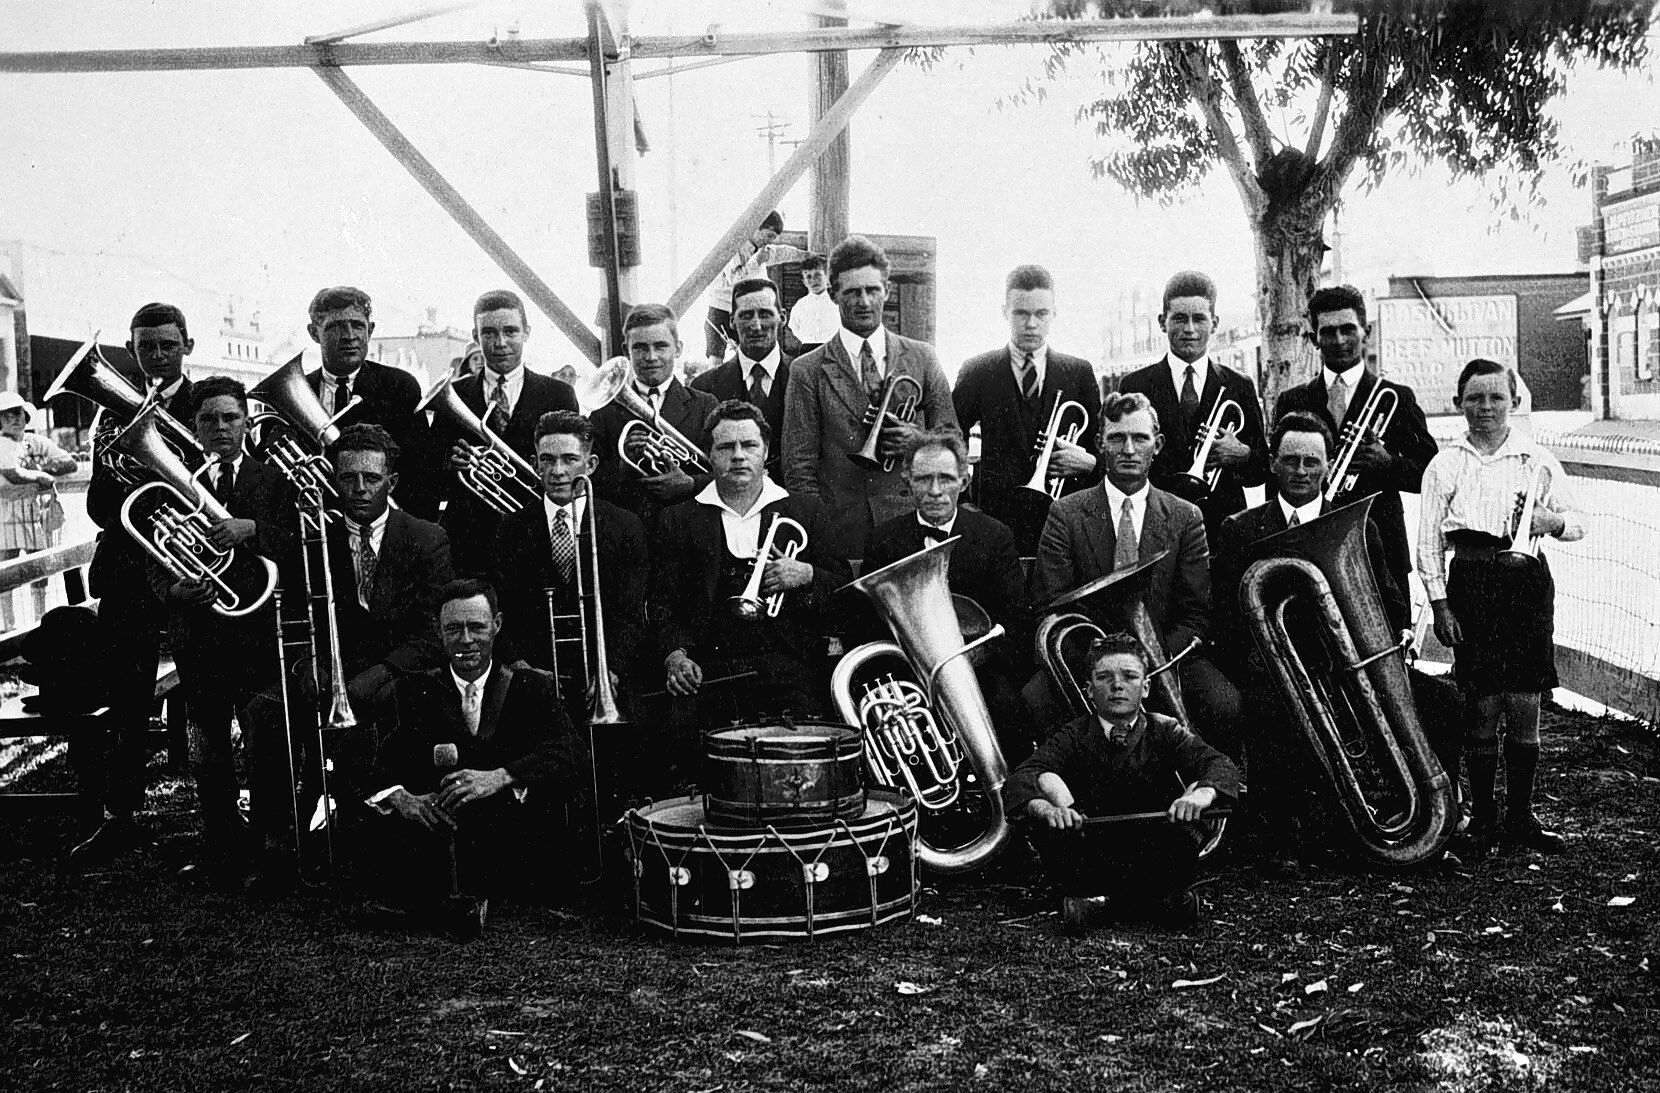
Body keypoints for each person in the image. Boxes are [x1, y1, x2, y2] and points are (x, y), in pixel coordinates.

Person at [241, 424, 454, 886]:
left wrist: (377, 674)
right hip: (326, 672)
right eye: (347, 478)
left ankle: (373, 836)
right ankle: (278, 842)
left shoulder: (426, 537)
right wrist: (307, 664)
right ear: (334, 480)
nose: (359, 488)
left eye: (371, 478)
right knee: (265, 711)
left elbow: (431, 633)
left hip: (397, 674)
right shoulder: (313, 535)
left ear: (391, 482)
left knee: (389, 708)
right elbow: (293, 614)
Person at [1211, 412, 1415, 872]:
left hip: (1346, 665)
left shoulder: (1358, 523)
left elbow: (1389, 602)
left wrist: (1387, 642)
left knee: (1445, 705)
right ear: (1272, 464)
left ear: (1328, 465)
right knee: (1270, 705)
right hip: (1274, 669)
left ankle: (1422, 820)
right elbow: (1224, 616)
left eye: (1311, 461)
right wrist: (1261, 661)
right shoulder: (1240, 529)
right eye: (1290, 460)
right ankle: (1282, 834)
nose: (1301, 471)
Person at [361, 579, 592, 939]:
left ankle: (428, 906)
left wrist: (500, 776)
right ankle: (447, 904)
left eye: (477, 627)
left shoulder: (530, 687)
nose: (466, 640)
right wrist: (403, 798)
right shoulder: (414, 691)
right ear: (438, 631)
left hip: (509, 835)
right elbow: (377, 763)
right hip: (440, 833)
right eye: (454, 628)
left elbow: (572, 753)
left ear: (496, 625)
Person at [1419, 358, 1583, 857]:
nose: (1485, 407)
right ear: (1458, 404)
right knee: (1482, 703)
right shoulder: (1445, 463)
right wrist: (1440, 605)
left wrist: (1552, 522)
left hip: (1526, 585)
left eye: (1496, 397)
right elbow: (1427, 544)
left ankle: (1521, 818)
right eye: (1475, 398)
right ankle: (1484, 817)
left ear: (1514, 401)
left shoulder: (1537, 458)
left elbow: (1578, 521)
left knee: (1525, 701)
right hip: (1472, 584)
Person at [143, 377, 295, 884]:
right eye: (209, 419)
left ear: (247, 422)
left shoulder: (273, 481)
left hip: (256, 633)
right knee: (207, 744)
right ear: (194, 425)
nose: (221, 427)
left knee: (264, 742)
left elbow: (299, 547)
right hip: (198, 635)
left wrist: (253, 530)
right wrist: (175, 590)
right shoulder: (176, 480)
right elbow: (152, 553)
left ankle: (272, 842)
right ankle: (220, 841)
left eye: (231, 417)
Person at [1031, 392, 1241, 756]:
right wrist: (1102, 664)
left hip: (1167, 656)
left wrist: (1147, 663)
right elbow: (1050, 606)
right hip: (1087, 660)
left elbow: (1195, 613)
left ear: (1157, 445)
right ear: (1100, 444)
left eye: (1140, 438)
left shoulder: (1186, 516)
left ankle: (1210, 786)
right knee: (1035, 699)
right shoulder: (1065, 513)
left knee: (1224, 705)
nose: (1128, 449)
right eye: (1117, 438)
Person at [69, 302, 200, 868]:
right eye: (147, 346)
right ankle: (118, 816)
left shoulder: (205, 405)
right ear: (132, 350)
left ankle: (221, 818)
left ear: (187, 346)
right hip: (129, 571)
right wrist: (148, 495)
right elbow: (100, 503)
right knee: (126, 698)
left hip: (194, 566)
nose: (159, 355)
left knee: (212, 691)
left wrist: (155, 485)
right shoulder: (109, 412)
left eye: (169, 345)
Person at [652, 401, 848, 772]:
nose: (739, 456)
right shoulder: (678, 519)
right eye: (726, 447)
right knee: (682, 745)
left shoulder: (805, 510)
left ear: (766, 450)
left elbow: (843, 594)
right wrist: (675, 656)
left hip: (789, 669)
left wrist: (807, 574)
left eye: (749, 445)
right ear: (709, 454)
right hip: (709, 670)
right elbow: (662, 605)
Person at [1003, 632, 1240, 933]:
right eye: (1104, 677)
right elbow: (1022, 776)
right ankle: (1153, 903)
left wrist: (1199, 796)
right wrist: (1047, 809)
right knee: (1046, 780)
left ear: (1146, 687)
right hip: (1092, 850)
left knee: (1199, 791)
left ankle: (1104, 904)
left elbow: (1220, 765)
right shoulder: (1073, 734)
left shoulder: (1165, 729)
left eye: (1129, 676)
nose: (1117, 686)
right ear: (1089, 690)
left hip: (1155, 848)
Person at [781, 235, 959, 562]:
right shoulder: (807, 370)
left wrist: (918, 442)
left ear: (886, 291)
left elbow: (953, 441)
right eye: (852, 292)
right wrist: (823, 533)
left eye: (872, 290)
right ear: (833, 295)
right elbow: (798, 469)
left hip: (913, 523)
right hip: (842, 533)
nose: (864, 302)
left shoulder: (923, 357)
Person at [861, 430, 1033, 758]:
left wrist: (977, 655)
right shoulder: (883, 541)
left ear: (964, 482)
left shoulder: (994, 536)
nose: (935, 491)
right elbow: (869, 624)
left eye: (946, 479)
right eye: (924, 479)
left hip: (980, 670)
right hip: (910, 673)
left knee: (1006, 706)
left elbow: (1015, 620)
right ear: (907, 481)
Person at [1274, 284, 1437, 603]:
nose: (1338, 340)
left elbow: (1429, 474)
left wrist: (1388, 463)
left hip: (1381, 548)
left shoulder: (1396, 397)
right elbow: (1276, 479)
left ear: (1367, 332)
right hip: (1313, 545)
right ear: (1313, 339)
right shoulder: (1292, 400)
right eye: (1327, 332)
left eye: (1348, 329)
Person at [491, 410, 648, 723]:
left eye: (569, 459)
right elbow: (502, 611)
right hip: (534, 680)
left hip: (609, 678)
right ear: (534, 464)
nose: (558, 471)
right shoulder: (510, 529)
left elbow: (632, 614)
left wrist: (612, 671)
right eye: (547, 460)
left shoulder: (624, 525)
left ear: (590, 465)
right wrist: (521, 667)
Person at [953, 264, 1102, 555]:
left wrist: (1091, 463)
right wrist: (963, 505)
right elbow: (950, 439)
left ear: (1054, 314)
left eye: (1041, 314)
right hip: (994, 520)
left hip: (1063, 519)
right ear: (1005, 313)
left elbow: (1101, 445)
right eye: (1021, 313)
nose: (1031, 324)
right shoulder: (977, 371)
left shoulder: (1080, 373)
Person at [431, 290, 579, 577]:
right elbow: (432, 471)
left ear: (526, 332)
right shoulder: (454, 394)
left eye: (510, 331)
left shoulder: (558, 394)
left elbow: (573, 466)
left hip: (536, 536)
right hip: (470, 540)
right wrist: (453, 463)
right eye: (489, 333)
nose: (500, 343)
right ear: (475, 336)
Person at [1116, 271, 1267, 546]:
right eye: (1179, 318)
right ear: (1162, 322)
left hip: (1222, 527)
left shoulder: (1240, 385)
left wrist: (1242, 454)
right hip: (1157, 523)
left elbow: (1263, 468)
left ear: (1214, 323)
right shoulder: (1135, 384)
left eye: (1199, 319)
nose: (1189, 329)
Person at [304, 286, 436, 519]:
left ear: (370, 330)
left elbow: (420, 474)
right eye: (335, 326)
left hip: (385, 525)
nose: (349, 336)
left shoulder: (400, 387)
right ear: (314, 333)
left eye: (357, 325)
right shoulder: (297, 391)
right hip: (318, 523)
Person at [590, 303, 717, 537]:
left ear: (677, 348)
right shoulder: (604, 413)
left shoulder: (705, 405)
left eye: (661, 346)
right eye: (640, 347)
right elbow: (590, 482)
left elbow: (726, 471)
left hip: (690, 533)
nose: (651, 357)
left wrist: (691, 483)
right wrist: (623, 466)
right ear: (626, 350)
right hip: (628, 535)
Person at [690, 277, 794, 478]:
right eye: (746, 315)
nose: (756, 326)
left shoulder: (807, 379)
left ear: (782, 317)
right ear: (731, 321)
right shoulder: (704, 386)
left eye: (765, 314)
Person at [0, 393, 77, 628]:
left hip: (37, 510)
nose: (15, 419)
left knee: (39, 568)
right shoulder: (2, 444)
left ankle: (39, 621)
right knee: (7, 570)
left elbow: (70, 463)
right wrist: (41, 475)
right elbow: (13, 475)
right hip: (6, 510)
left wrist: (46, 467)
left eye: (18, 413)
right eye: (7, 415)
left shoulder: (36, 441)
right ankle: (8, 625)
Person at [703, 210, 802, 365]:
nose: (770, 241)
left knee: (752, 355)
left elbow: (782, 252)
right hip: (720, 309)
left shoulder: (762, 250)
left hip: (744, 309)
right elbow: (735, 280)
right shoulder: (735, 247)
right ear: (756, 228)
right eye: (768, 235)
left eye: (773, 238)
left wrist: (806, 255)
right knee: (716, 359)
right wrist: (756, 262)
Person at [784, 252, 838, 355]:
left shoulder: (836, 302)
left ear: (827, 277)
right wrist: (807, 338)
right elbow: (794, 326)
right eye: (808, 277)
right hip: (808, 349)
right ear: (804, 282)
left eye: (818, 275)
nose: (813, 280)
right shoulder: (801, 305)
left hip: (832, 348)